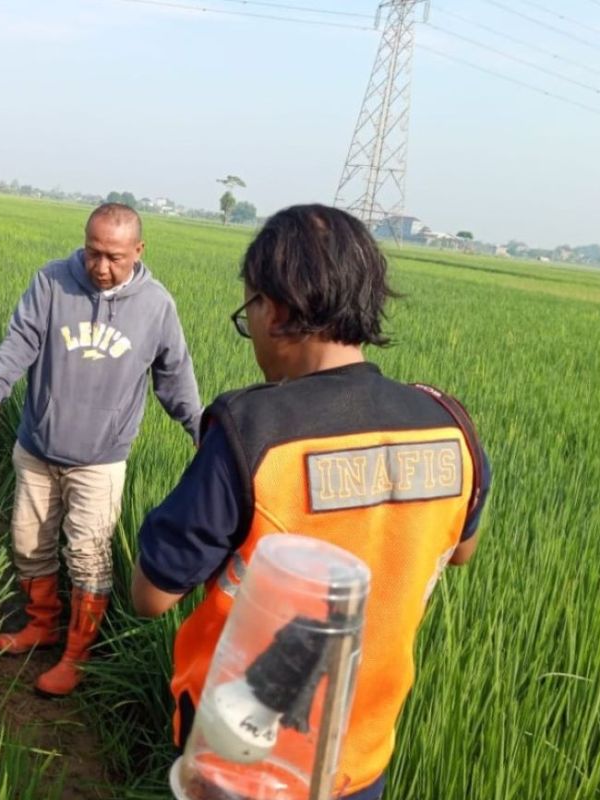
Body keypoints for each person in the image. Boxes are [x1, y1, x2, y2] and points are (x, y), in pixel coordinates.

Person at [130, 204, 491, 799]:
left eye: (249, 308)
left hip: (242, 753)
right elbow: (461, 552)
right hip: (359, 755)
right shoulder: (449, 424)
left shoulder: (253, 432)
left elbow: (151, 595)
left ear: (274, 310)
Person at [0, 203, 202, 697]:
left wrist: (204, 433)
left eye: (114, 257)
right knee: (29, 544)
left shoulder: (156, 306)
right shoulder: (53, 282)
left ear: (138, 251)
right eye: (93, 252)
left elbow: (175, 378)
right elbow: (20, 341)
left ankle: (77, 654)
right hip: (38, 445)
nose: (100, 266)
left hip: (101, 459)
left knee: (89, 556)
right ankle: (42, 623)